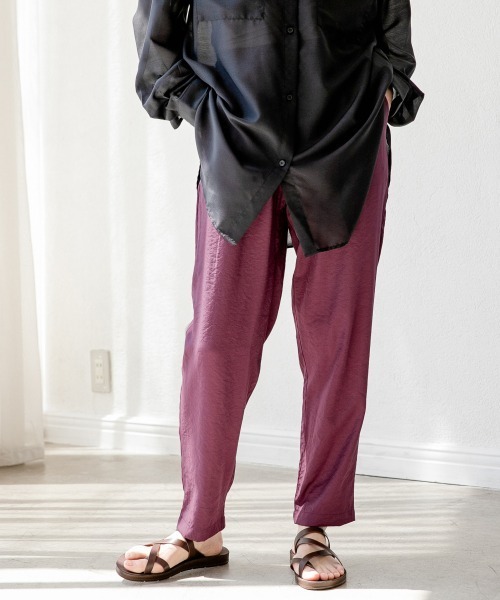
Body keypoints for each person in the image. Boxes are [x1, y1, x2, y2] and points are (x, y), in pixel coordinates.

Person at [116, 0, 424, 590]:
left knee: (337, 344)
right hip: (236, 149)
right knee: (215, 343)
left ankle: (316, 528)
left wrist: (382, 93)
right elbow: (156, 38)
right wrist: (206, 112)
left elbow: (394, 32)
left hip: (346, 148)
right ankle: (199, 531)